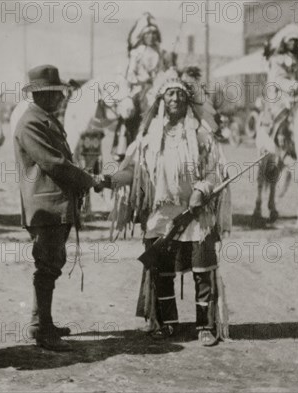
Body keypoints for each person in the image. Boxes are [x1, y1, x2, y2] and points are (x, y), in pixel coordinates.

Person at [104, 76, 232, 346]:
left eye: (180, 95)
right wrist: (110, 179)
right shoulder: (149, 139)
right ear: (162, 101)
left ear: (187, 101)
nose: (175, 99)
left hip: (196, 214)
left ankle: (206, 326)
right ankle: (167, 324)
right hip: (161, 214)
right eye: (170, 95)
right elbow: (133, 171)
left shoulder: (200, 135)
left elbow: (214, 172)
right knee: (162, 272)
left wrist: (201, 190)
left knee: (202, 270)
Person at [14, 65, 107, 351]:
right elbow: (54, 163)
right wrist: (89, 179)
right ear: (42, 94)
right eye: (55, 93)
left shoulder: (45, 119)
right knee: (47, 266)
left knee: (51, 265)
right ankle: (42, 330)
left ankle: (40, 322)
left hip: (55, 204)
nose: (60, 98)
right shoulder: (31, 122)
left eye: (60, 93)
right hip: (46, 205)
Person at [257, 24, 298, 156]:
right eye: (290, 40)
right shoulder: (277, 60)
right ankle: (280, 139)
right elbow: (278, 80)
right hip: (280, 95)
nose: (293, 43)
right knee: (282, 113)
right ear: (285, 43)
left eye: (295, 40)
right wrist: (294, 85)